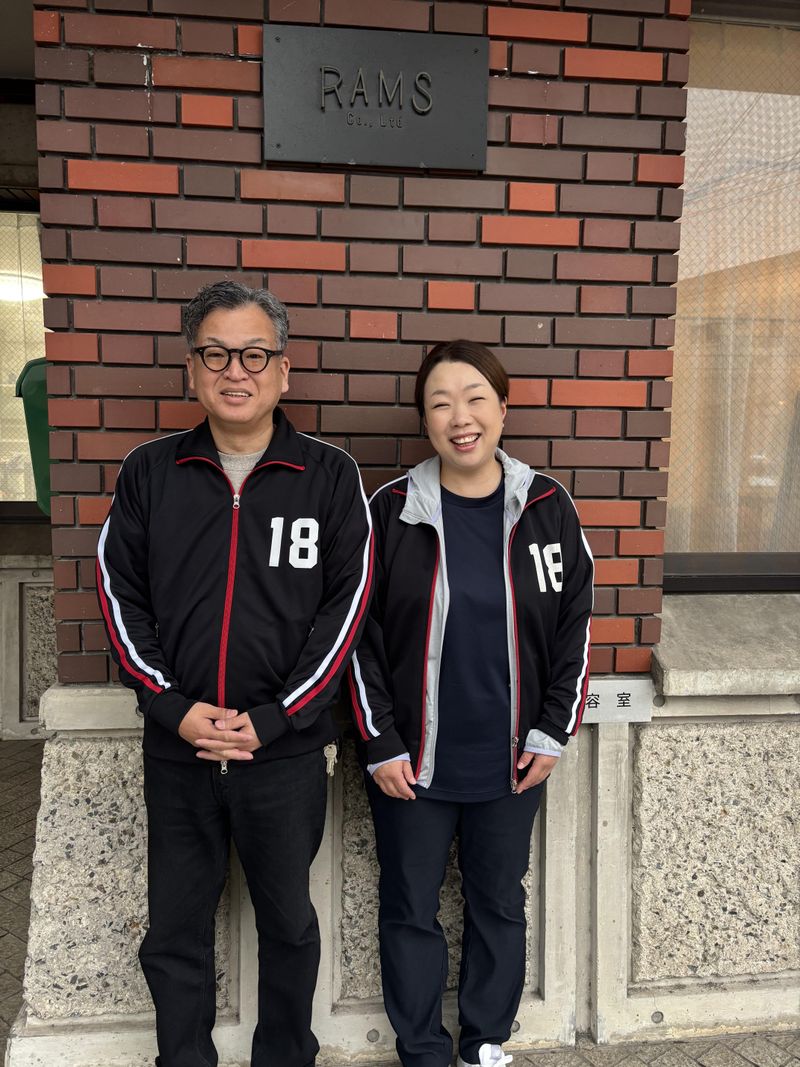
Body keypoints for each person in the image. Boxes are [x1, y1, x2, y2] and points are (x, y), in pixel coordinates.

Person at [96, 281, 373, 1067]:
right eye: (215, 354)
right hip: (178, 749)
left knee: (288, 924)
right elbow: (118, 595)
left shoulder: (328, 475)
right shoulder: (150, 472)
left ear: (284, 369)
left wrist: (279, 715)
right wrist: (171, 705)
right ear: (192, 369)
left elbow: (348, 606)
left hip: (282, 754)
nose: (234, 371)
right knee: (174, 930)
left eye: (253, 353)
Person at [348, 340, 593, 1067]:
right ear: (425, 420)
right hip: (412, 762)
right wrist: (380, 741)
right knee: (409, 906)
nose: (461, 417)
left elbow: (576, 626)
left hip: (511, 759)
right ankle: (423, 1050)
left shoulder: (545, 506)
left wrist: (552, 731)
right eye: (441, 403)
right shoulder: (391, 511)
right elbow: (357, 636)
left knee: (499, 902)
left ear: (503, 408)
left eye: (475, 398)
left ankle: (484, 1041)